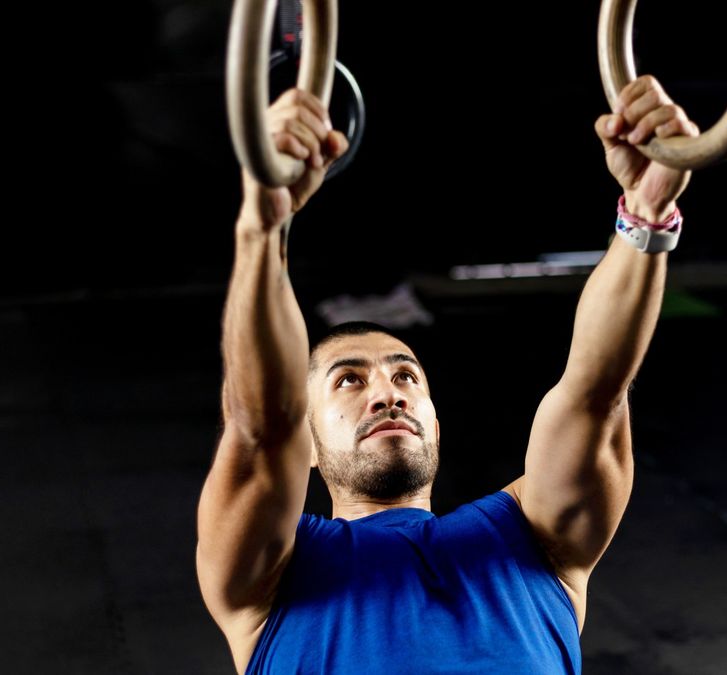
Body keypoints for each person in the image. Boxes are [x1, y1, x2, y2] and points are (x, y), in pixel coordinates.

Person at [196, 75, 700, 674]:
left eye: (407, 376)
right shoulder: (270, 575)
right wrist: (263, 225)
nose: (387, 392)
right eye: (348, 380)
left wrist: (646, 214)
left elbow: (596, 393)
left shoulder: (531, 539)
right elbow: (259, 427)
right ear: (306, 439)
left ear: (436, 419)